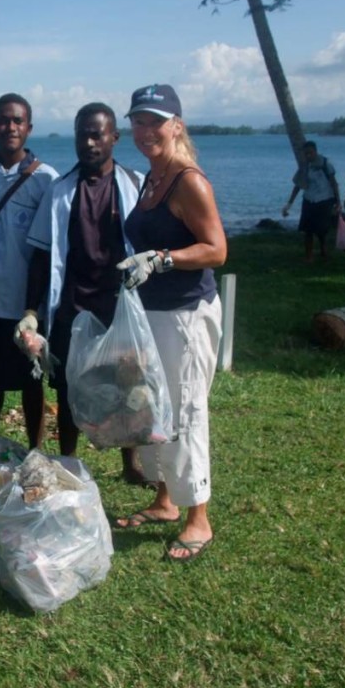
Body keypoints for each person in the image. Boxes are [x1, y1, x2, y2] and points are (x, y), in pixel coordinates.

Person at [111, 84, 226, 563]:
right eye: (137, 121)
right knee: (153, 410)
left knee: (185, 411)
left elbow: (216, 249)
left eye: (155, 121)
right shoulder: (152, 178)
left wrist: (161, 258)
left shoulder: (188, 180)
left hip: (185, 315)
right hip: (152, 314)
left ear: (177, 125)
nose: (144, 130)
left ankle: (198, 516)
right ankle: (164, 500)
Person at [17, 102, 148, 485]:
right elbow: (41, 257)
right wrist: (32, 310)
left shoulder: (135, 185)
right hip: (73, 304)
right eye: (82, 134)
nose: (89, 142)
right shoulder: (60, 192)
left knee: (128, 383)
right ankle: (68, 461)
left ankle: (130, 463)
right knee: (69, 385)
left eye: (97, 134)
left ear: (114, 138)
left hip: (118, 304)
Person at [0, 93, 59, 449]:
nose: (10, 127)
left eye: (18, 121)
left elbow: (49, 251)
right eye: (3, 120)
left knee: (31, 381)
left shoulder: (47, 180)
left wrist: (35, 307)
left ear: (29, 128)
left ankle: (36, 451)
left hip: (26, 303)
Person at [281, 140, 342, 261]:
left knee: (321, 229)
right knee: (308, 229)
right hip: (309, 199)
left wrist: (338, 202)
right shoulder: (304, 167)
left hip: (324, 199)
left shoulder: (326, 164)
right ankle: (309, 256)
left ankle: (323, 250)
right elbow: (298, 186)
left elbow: (334, 183)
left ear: (315, 151)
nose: (308, 155)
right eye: (306, 153)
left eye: (310, 153)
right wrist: (289, 203)